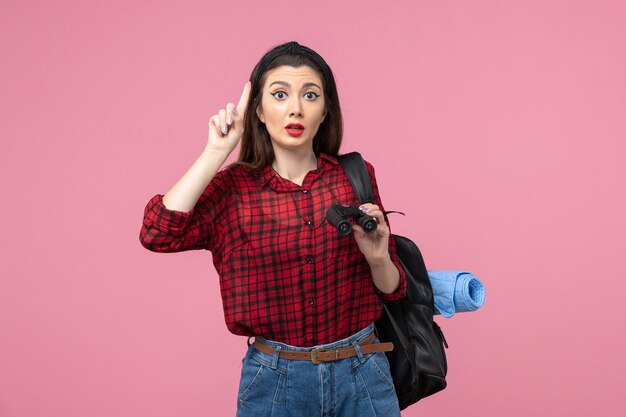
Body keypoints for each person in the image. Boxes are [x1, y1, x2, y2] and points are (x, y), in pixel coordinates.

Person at [139, 41, 407, 416]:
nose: (295, 107)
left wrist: (378, 257)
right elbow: (157, 232)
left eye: (309, 95)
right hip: (275, 381)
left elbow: (394, 291)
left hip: (362, 372)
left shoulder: (355, 176)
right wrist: (217, 151)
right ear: (259, 110)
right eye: (280, 94)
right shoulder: (232, 190)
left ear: (325, 109)